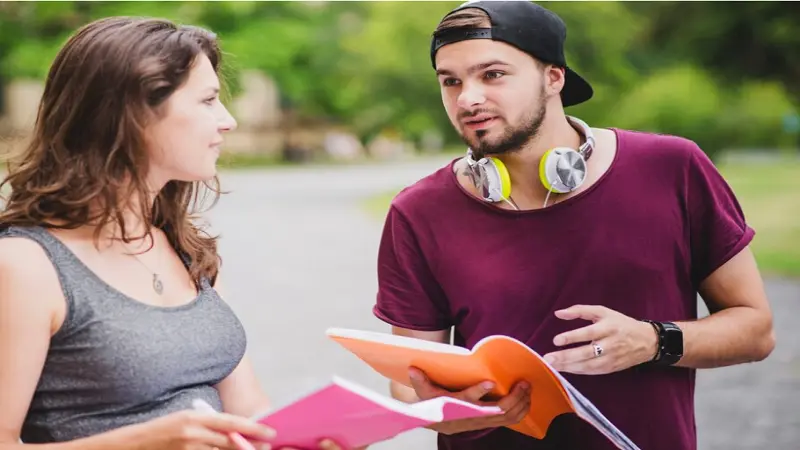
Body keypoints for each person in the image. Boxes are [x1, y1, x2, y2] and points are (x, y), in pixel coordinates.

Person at [372, 2, 776, 450]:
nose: (467, 98)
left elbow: (755, 329)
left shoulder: (672, 167)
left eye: (492, 75)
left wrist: (651, 340)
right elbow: (410, 382)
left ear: (554, 77)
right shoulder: (418, 211)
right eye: (451, 81)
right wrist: (439, 413)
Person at [0, 16, 352, 450]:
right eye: (207, 101)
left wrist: (311, 438)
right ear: (134, 114)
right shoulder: (26, 266)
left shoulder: (187, 250)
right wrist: (147, 441)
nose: (228, 121)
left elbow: (250, 414)